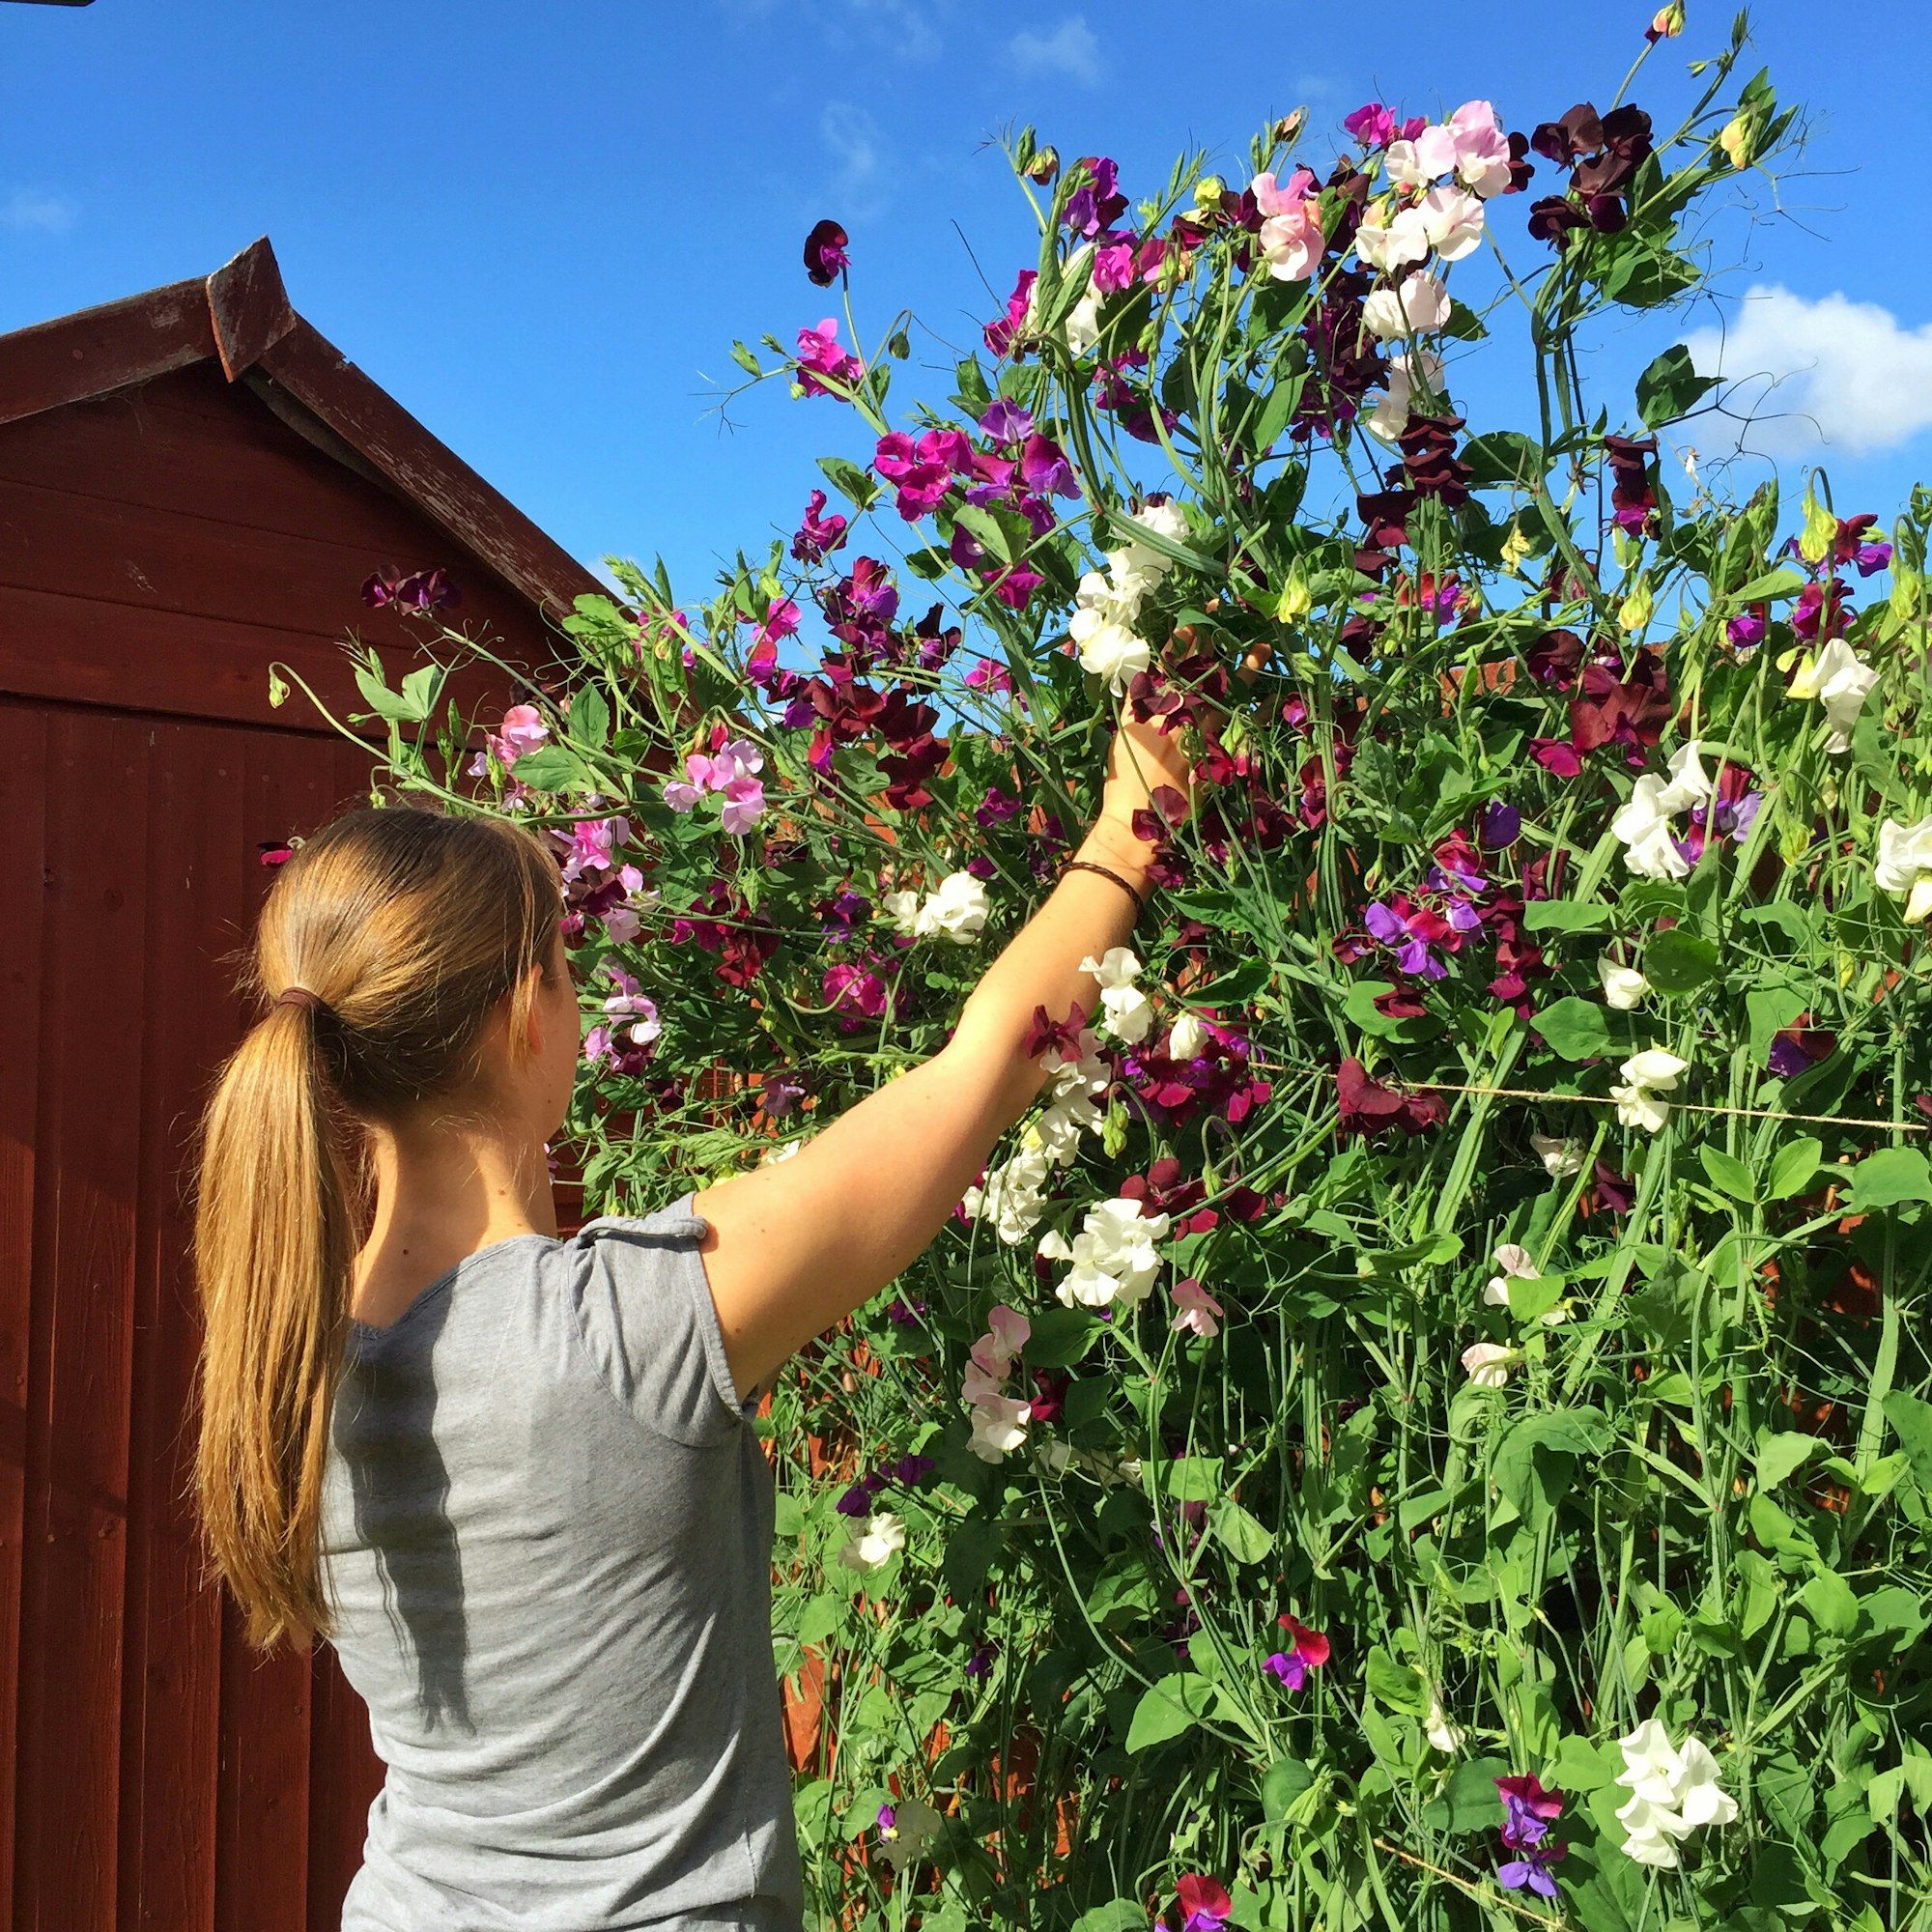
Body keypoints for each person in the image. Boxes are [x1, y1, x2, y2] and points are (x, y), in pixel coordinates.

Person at [190, 700, 1197, 1931]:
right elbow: (986, 1062)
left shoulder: (296, 1366)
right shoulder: (626, 1327)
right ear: (525, 1016)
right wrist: (1130, 823)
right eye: (565, 965)